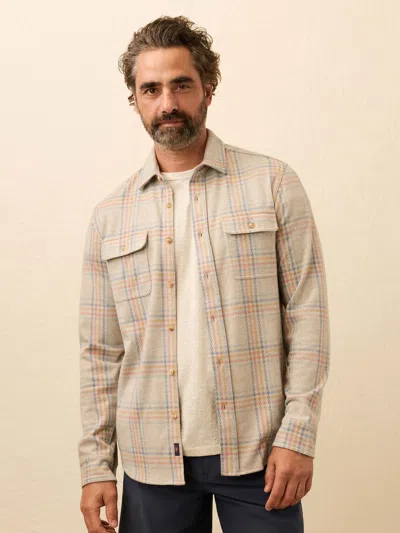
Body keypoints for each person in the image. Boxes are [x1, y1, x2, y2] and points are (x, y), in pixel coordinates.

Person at [78, 15, 330, 533]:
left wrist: (298, 435)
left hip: (261, 456)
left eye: (181, 85)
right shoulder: (110, 216)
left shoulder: (272, 184)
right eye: (150, 89)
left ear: (208, 89)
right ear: (135, 100)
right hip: (151, 462)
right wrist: (96, 465)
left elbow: (308, 315)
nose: (167, 103)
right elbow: (100, 353)